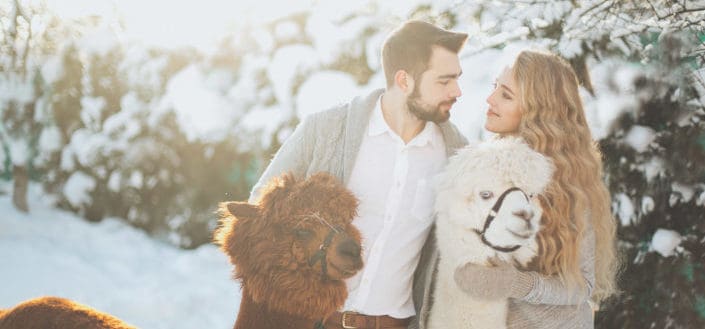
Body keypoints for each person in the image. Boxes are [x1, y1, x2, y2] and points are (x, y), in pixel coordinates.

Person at [248, 20, 469, 329]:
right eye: (444, 81)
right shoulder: (326, 129)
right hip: (313, 321)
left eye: (457, 78)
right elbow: (260, 208)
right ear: (404, 80)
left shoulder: (456, 155)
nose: (457, 91)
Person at [442, 50, 621, 328]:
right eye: (495, 88)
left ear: (537, 110)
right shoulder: (484, 169)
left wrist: (517, 283)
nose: (490, 100)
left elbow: (583, 286)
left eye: (507, 95)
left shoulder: (567, 185)